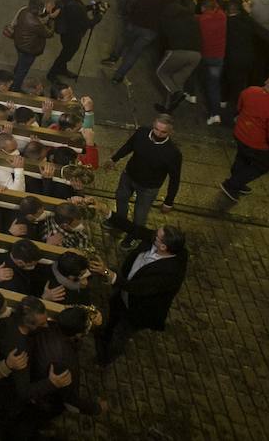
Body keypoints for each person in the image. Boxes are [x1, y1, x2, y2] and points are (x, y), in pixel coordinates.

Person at [95, 225, 189, 365]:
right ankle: (106, 334)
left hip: (137, 309)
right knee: (113, 314)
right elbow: (136, 229)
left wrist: (107, 272)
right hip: (123, 295)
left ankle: (105, 358)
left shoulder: (168, 273)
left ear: (163, 247)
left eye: (156, 236)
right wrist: (106, 212)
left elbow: (135, 288)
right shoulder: (160, 244)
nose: (152, 235)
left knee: (121, 335)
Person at [105, 114, 182, 247]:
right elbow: (129, 146)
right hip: (129, 176)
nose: (158, 133)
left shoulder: (173, 153)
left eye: (163, 132)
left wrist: (169, 201)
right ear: (153, 124)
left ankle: (133, 235)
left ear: (170, 132)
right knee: (120, 198)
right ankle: (118, 222)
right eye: (156, 129)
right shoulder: (142, 133)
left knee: (140, 215)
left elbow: (175, 178)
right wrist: (114, 159)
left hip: (148, 187)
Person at [220, 75, 269, 202]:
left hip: (240, 133)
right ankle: (232, 184)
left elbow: (240, 107)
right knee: (263, 165)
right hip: (257, 143)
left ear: (265, 81)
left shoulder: (250, 91)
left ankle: (237, 181)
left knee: (242, 157)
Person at [46, 0, 95, 85]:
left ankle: (62, 69)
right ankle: (52, 74)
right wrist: (99, 16)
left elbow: (80, 11)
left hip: (65, 32)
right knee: (66, 55)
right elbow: (88, 23)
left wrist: (91, 7)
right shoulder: (76, 6)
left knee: (65, 52)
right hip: (73, 36)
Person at [7, 0, 55, 93]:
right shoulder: (35, 23)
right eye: (42, 9)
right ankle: (15, 89)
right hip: (29, 50)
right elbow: (49, 33)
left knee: (20, 63)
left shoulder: (24, 11)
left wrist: (46, 12)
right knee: (23, 70)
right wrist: (52, 18)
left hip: (19, 44)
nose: (43, 11)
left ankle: (13, 78)